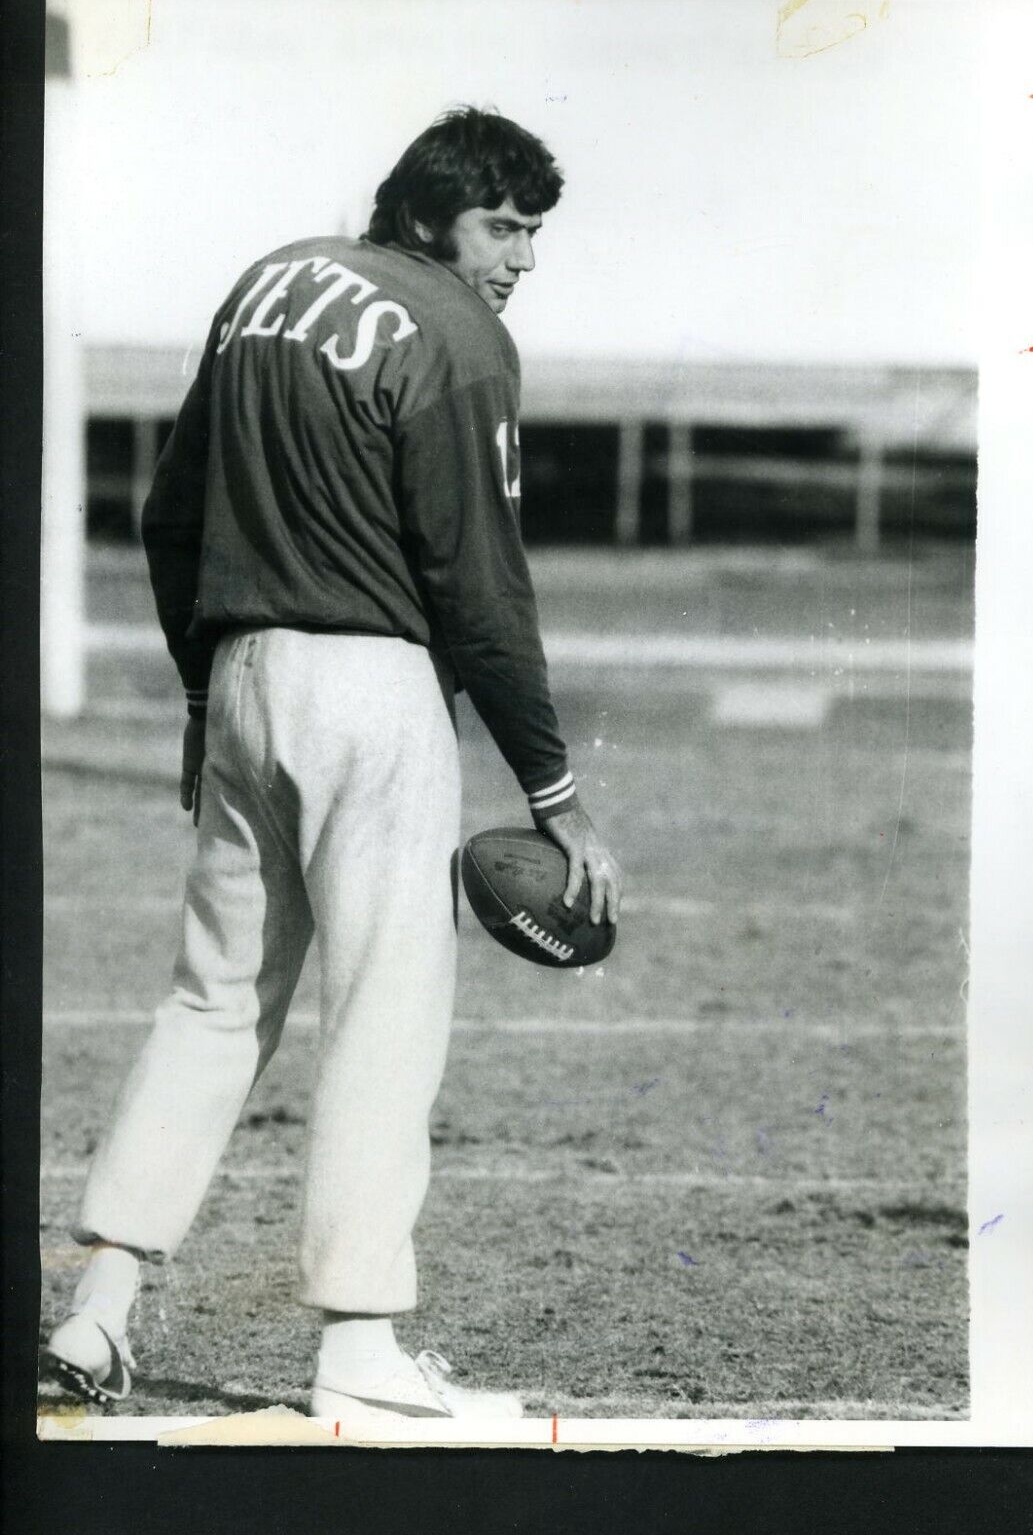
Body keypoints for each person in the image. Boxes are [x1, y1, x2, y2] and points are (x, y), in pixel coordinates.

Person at [46, 107, 623, 1425]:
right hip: (371, 687)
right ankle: (358, 1350)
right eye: (502, 226)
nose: (521, 259)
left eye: (534, 232)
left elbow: (166, 510)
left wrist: (205, 696)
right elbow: (479, 586)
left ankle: (97, 1303)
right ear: (429, 215)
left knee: (212, 1002)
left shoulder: (267, 280)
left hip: (243, 672)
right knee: (384, 1011)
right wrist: (553, 791)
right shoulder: (458, 333)